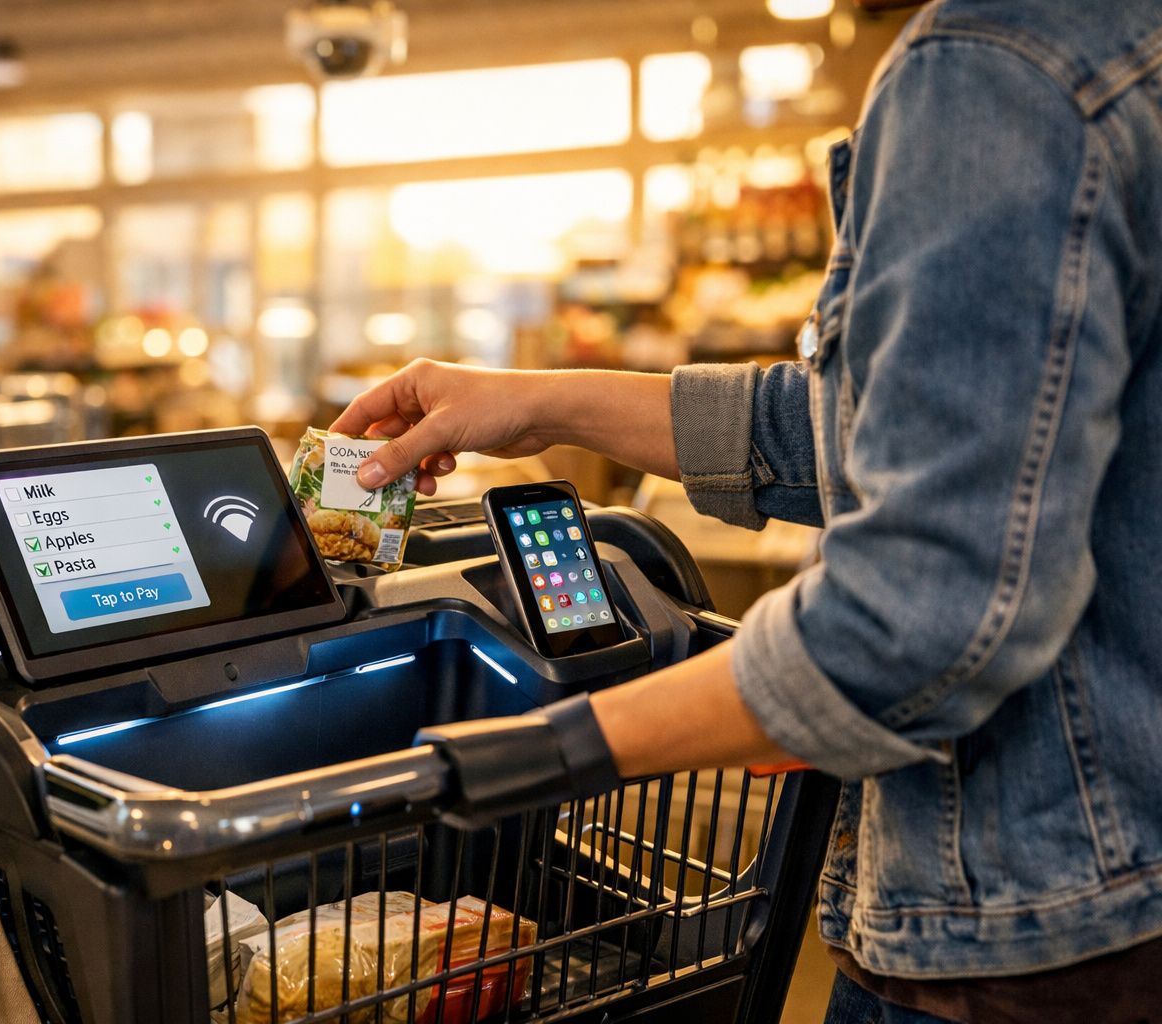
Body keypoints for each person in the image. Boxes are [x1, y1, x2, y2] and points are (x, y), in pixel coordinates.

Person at [330, 0, 1162, 1020]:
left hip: (1031, 944)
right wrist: (544, 399)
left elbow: (922, 617)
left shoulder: (995, 65)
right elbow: (905, 428)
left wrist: (515, 748)